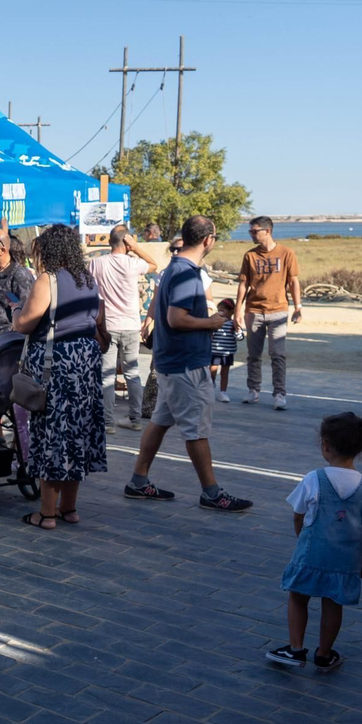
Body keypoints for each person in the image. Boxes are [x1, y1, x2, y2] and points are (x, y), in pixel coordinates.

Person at [125, 217, 253, 512]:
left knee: (159, 422)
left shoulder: (174, 268)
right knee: (196, 429)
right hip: (185, 365)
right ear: (208, 239)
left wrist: (211, 317)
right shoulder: (186, 273)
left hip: (172, 361)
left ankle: (138, 480)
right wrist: (210, 322)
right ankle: (211, 492)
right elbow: (176, 318)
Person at [266, 413, 362, 672]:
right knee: (333, 603)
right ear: (361, 447)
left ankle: (295, 649)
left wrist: (302, 540)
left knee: (298, 598)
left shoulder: (313, 479)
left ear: (325, 445)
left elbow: (298, 516)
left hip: (312, 552)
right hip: (346, 558)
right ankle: (324, 653)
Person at [10, 225, 108, 529]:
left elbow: (26, 323)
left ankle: (47, 514)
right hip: (85, 362)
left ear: (49, 251)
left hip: (56, 365)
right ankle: (69, 509)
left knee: (51, 435)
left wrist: (15, 312)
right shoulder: (88, 279)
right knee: (76, 434)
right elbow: (96, 319)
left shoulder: (47, 280)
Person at [90, 225, 160, 435]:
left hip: (107, 325)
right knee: (132, 373)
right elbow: (154, 264)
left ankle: (108, 422)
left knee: (107, 376)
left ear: (110, 241)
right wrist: (136, 247)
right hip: (130, 325)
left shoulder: (97, 263)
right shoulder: (133, 263)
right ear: (127, 242)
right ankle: (135, 418)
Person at [235, 215, 303, 410]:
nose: (251, 235)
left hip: (278, 311)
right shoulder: (250, 256)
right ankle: (253, 390)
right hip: (254, 310)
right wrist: (237, 311)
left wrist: (298, 308)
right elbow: (243, 284)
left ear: (268, 231)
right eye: (250, 231)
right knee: (253, 354)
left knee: (277, 354)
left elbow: (293, 282)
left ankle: (279, 393)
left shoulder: (286, 253)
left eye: (254, 231)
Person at [210, 298, 240, 402]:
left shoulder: (233, 324)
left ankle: (223, 392)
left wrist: (238, 330)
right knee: (212, 370)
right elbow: (210, 334)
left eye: (223, 310)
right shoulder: (215, 322)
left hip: (227, 352)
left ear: (231, 311)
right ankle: (210, 387)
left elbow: (239, 337)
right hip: (214, 351)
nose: (220, 313)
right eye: (218, 310)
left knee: (225, 372)